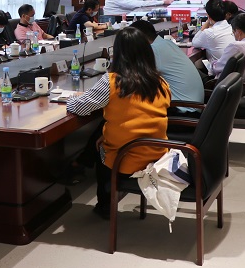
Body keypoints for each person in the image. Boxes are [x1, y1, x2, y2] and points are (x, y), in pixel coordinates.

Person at [66, 27, 170, 219]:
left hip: (127, 157)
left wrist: (71, 99)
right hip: (158, 152)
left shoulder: (112, 81)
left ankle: (105, 204)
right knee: (100, 136)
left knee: (101, 149)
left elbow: (79, 107)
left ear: (118, 53)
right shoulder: (160, 81)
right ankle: (83, 167)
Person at [130, 20, 204, 113]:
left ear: (139, 38)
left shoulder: (154, 50)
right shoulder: (167, 43)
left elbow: (135, 76)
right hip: (195, 106)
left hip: (183, 111)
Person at [211, 13, 245, 80]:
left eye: (233, 32)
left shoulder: (235, 46)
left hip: (224, 83)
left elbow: (217, 68)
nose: (234, 35)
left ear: (238, 32)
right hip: (241, 83)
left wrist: (212, 63)